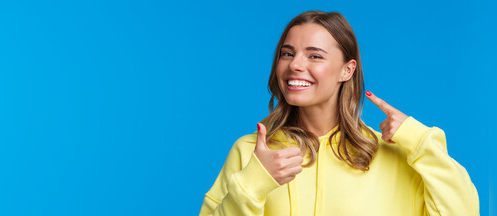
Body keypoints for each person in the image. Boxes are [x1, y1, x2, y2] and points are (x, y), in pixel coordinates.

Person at [198, 11, 479, 216]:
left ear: (347, 70)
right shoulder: (251, 153)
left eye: (314, 55)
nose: (295, 64)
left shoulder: (396, 155)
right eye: (287, 53)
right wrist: (254, 182)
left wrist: (420, 141)